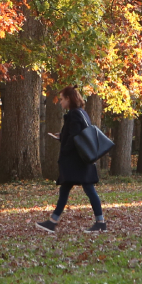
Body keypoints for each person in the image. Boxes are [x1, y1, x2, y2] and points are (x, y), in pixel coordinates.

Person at [37, 87, 106, 234]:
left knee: (88, 189)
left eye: (62, 98)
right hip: (82, 160)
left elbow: (75, 137)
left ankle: (100, 222)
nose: (60, 102)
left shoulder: (74, 114)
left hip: (76, 162)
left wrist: (65, 149)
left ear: (69, 98)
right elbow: (78, 135)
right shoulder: (82, 113)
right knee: (67, 189)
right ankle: (53, 222)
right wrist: (62, 137)